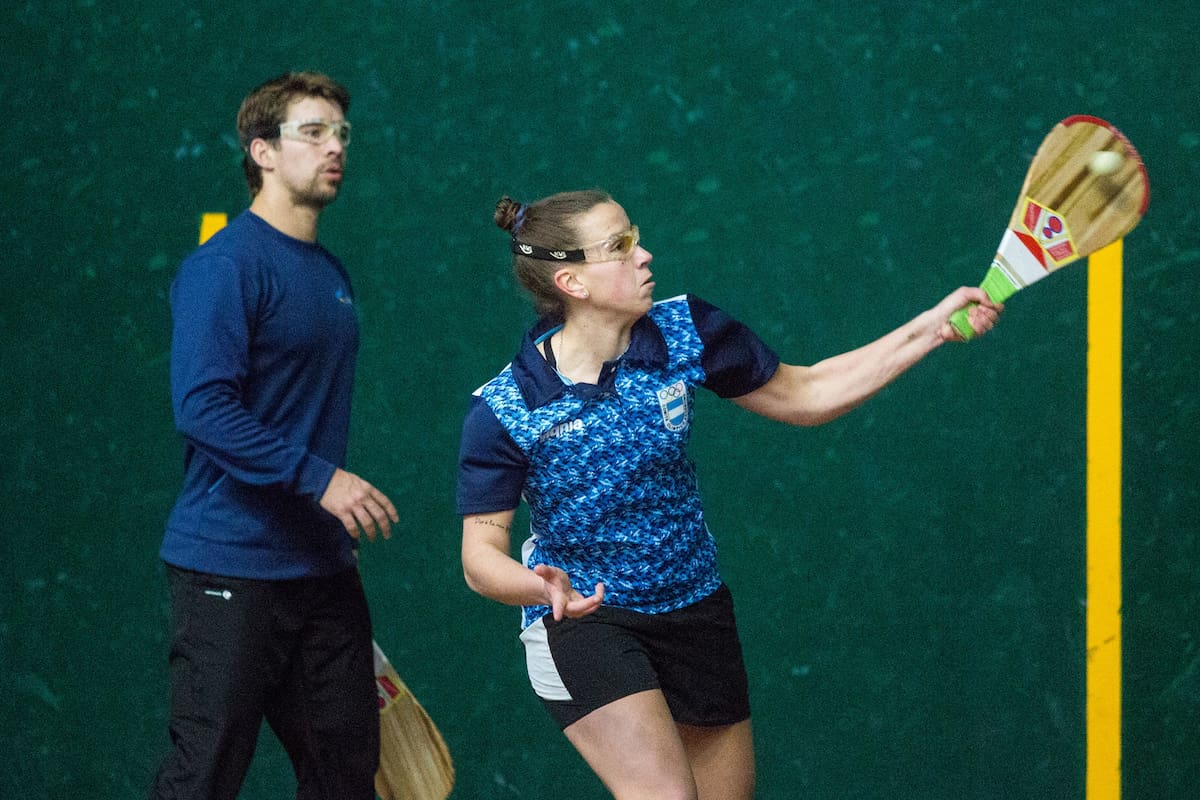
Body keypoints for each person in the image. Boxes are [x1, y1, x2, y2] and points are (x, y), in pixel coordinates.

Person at [456, 189, 1002, 800]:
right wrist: (540, 586)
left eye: (633, 236)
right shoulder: (508, 407)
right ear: (571, 281)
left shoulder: (685, 331)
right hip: (587, 621)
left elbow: (807, 393)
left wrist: (932, 328)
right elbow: (480, 556)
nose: (645, 256)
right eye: (620, 247)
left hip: (696, 608)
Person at [150, 71, 399, 800]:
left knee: (347, 774)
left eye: (342, 135)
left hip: (322, 571)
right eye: (314, 132)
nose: (336, 148)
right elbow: (202, 408)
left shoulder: (328, 271)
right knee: (205, 775)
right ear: (261, 150)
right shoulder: (224, 266)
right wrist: (321, 477)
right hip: (228, 564)